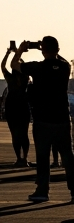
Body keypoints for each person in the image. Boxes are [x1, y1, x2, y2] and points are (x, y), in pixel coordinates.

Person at [13, 37, 74, 204]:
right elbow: (59, 59)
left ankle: (42, 190)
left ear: (43, 50)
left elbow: (14, 65)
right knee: (68, 156)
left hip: (43, 118)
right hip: (62, 118)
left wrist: (20, 50)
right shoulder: (65, 67)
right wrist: (48, 48)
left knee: (43, 156)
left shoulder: (37, 67)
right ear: (58, 49)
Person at [1, 44, 31, 167]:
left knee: (15, 133)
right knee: (24, 133)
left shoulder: (10, 78)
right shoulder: (26, 77)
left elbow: (2, 66)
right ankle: (25, 157)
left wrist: (8, 54)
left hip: (12, 105)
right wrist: (19, 54)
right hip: (23, 104)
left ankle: (19, 158)